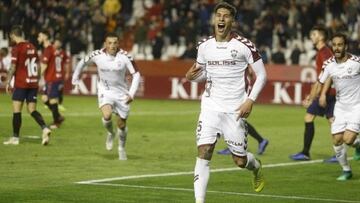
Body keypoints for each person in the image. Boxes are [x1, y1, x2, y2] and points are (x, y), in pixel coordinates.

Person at [186, 3, 267, 202]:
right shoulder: (204, 47)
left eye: (226, 16)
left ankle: (255, 167)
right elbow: (201, 73)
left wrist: (250, 100)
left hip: (235, 110)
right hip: (210, 107)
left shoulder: (244, 45)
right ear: (214, 19)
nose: (221, 19)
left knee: (240, 161)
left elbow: (262, 75)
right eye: (218, 15)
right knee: (204, 152)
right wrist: (191, 76)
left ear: (232, 21)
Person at [72, 32, 141, 160]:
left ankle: (121, 148)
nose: (112, 45)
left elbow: (136, 74)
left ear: (118, 44)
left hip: (122, 93)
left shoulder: (125, 57)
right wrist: (75, 78)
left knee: (122, 125)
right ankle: (110, 133)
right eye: (109, 43)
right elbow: (82, 62)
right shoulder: (97, 55)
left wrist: (131, 93)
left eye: (115, 43)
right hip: (105, 90)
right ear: (105, 44)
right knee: (107, 115)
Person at [308, 33, 360, 180]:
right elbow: (320, 82)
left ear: (346, 46)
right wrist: (312, 97)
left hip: (357, 107)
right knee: (337, 139)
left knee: (348, 140)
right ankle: (346, 170)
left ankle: (357, 145)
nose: (336, 48)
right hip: (341, 107)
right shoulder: (329, 64)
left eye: (340, 45)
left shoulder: (357, 62)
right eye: (334, 45)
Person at [290, 26, 336, 162]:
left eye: (314, 34)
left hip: (327, 93)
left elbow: (328, 75)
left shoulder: (325, 53)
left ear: (321, 37)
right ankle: (343, 152)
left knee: (311, 118)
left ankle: (305, 153)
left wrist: (320, 95)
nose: (311, 36)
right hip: (328, 92)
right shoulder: (323, 52)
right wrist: (312, 96)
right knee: (331, 121)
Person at [3, 25, 51, 145]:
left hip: (21, 84)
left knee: (16, 111)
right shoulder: (32, 46)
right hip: (33, 84)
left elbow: (13, 66)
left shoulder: (17, 48)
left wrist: (8, 81)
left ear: (13, 35)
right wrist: (37, 78)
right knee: (32, 110)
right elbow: (39, 65)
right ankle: (45, 128)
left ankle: (15, 138)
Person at [37, 30, 65, 129]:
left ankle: (56, 122)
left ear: (45, 36)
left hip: (52, 79)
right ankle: (58, 116)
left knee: (52, 100)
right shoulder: (52, 49)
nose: (38, 38)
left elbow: (44, 66)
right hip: (53, 78)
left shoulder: (48, 49)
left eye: (39, 36)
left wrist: (36, 78)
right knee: (44, 99)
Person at [53, 38, 71, 112]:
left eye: (58, 43)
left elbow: (67, 63)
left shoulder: (63, 53)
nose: (56, 44)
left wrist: (67, 73)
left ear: (60, 44)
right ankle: (49, 103)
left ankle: (59, 104)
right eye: (55, 42)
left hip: (60, 74)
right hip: (52, 74)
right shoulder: (51, 51)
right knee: (51, 88)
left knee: (60, 89)